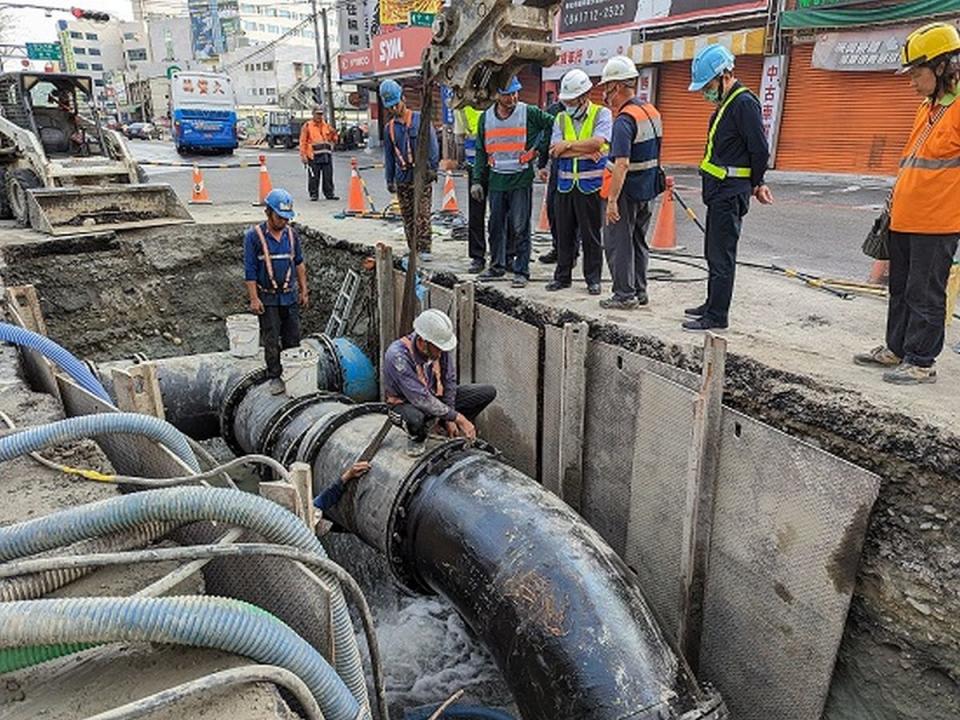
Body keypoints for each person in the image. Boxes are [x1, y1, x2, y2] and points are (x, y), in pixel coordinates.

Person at [854, 22, 960, 385]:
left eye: (917, 72)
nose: (911, 81)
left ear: (943, 66)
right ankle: (896, 348)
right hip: (905, 219)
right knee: (899, 288)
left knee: (925, 292)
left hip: (938, 223)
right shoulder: (928, 108)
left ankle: (921, 360)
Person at [683, 44, 773, 332]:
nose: (704, 92)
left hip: (730, 192)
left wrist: (757, 183)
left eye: (707, 86)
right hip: (719, 192)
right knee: (713, 252)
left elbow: (759, 150)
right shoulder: (728, 103)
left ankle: (717, 316)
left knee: (722, 256)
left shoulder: (744, 103)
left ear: (724, 76)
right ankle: (711, 304)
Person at [473, 78, 554, 287]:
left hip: (520, 178)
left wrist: (538, 150)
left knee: (520, 227)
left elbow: (552, 125)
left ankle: (521, 270)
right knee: (495, 226)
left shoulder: (528, 112)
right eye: (508, 94)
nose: (513, 98)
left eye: (515, 93)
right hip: (497, 179)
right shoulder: (486, 118)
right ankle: (497, 266)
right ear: (497, 95)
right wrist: (477, 181)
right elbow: (481, 151)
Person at [596, 56, 663, 310]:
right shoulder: (651, 111)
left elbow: (622, 164)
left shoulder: (624, 120)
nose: (605, 94)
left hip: (627, 191)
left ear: (618, 86)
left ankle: (624, 294)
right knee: (637, 240)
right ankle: (639, 290)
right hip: (648, 189)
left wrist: (612, 201)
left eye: (607, 87)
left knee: (618, 242)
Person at [383, 309, 497, 456]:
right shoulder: (397, 357)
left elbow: (449, 381)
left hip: (433, 399)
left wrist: (451, 417)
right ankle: (417, 438)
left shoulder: (436, 349)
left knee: (486, 392)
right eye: (439, 348)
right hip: (406, 405)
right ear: (423, 342)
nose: (442, 352)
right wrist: (459, 418)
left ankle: (446, 427)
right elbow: (420, 399)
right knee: (416, 420)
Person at [545, 69, 612, 296]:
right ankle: (562, 276)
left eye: (572, 101)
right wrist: (581, 149)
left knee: (591, 234)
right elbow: (555, 151)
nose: (568, 105)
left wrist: (569, 146)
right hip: (564, 185)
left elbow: (598, 143)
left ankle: (593, 279)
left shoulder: (601, 114)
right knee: (564, 234)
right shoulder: (561, 118)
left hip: (590, 186)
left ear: (584, 97)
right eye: (566, 101)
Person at [243, 188, 308, 395]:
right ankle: (275, 376)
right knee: (271, 339)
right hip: (268, 297)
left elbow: (299, 264)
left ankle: (293, 374)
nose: (284, 222)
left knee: (293, 337)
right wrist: (254, 298)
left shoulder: (292, 235)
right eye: (280, 217)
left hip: (289, 295)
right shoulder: (254, 237)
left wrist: (304, 291)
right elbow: (250, 270)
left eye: (286, 218)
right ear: (268, 212)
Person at [380, 79, 439, 262]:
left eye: (395, 104)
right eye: (390, 107)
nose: (393, 109)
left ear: (403, 99)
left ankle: (425, 248)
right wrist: (389, 179)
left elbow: (432, 144)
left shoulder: (419, 120)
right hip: (403, 177)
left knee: (422, 214)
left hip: (421, 175)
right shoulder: (389, 128)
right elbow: (389, 156)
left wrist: (432, 167)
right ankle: (412, 247)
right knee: (407, 215)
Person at [458, 105, 487, 273]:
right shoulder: (462, 105)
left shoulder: (495, 100)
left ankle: (504, 255)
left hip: (496, 165)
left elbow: (459, 136)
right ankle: (477, 256)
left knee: (501, 214)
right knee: (476, 213)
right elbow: (460, 135)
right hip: (474, 164)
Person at [538, 95, 566, 266]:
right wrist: (542, 164)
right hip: (557, 165)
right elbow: (545, 138)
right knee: (553, 208)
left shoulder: (592, 112)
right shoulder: (553, 112)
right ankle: (558, 248)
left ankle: (572, 251)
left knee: (575, 213)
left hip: (582, 168)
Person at [299, 106, 339, 201]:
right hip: (313, 156)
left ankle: (329, 193)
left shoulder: (327, 126)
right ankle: (314, 194)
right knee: (314, 177)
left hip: (326, 155)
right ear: (313, 114)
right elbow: (302, 141)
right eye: (317, 114)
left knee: (328, 176)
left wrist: (335, 136)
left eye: (321, 114)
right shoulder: (307, 126)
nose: (319, 116)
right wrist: (303, 155)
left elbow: (334, 138)